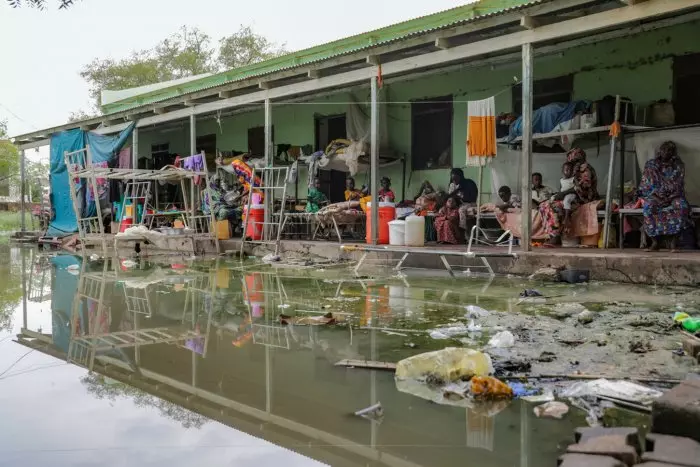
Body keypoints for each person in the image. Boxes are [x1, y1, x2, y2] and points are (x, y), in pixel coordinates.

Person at [539, 148, 599, 245]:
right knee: (543, 205)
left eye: (571, 158)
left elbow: (580, 189)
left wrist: (562, 194)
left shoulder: (585, 169)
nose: (569, 160)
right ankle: (551, 234)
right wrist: (559, 194)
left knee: (553, 206)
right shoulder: (576, 169)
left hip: (583, 199)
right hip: (573, 197)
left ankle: (556, 235)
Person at [637, 141, 690, 252]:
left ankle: (673, 243)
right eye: (664, 149)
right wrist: (657, 198)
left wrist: (669, 198)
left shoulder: (678, 165)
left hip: (673, 196)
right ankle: (655, 243)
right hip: (655, 196)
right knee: (648, 208)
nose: (666, 152)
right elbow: (646, 185)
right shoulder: (651, 165)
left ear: (674, 152)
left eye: (670, 150)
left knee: (682, 206)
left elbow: (679, 184)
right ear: (659, 151)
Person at [557, 162, 577, 228]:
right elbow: (560, 189)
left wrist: (564, 193)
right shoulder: (561, 180)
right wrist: (559, 194)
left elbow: (575, 188)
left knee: (566, 201)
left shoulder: (573, 179)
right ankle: (560, 211)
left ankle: (566, 217)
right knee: (554, 199)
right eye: (566, 170)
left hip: (570, 194)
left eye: (570, 170)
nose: (568, 172)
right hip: (563, 195)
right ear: (562, 170)